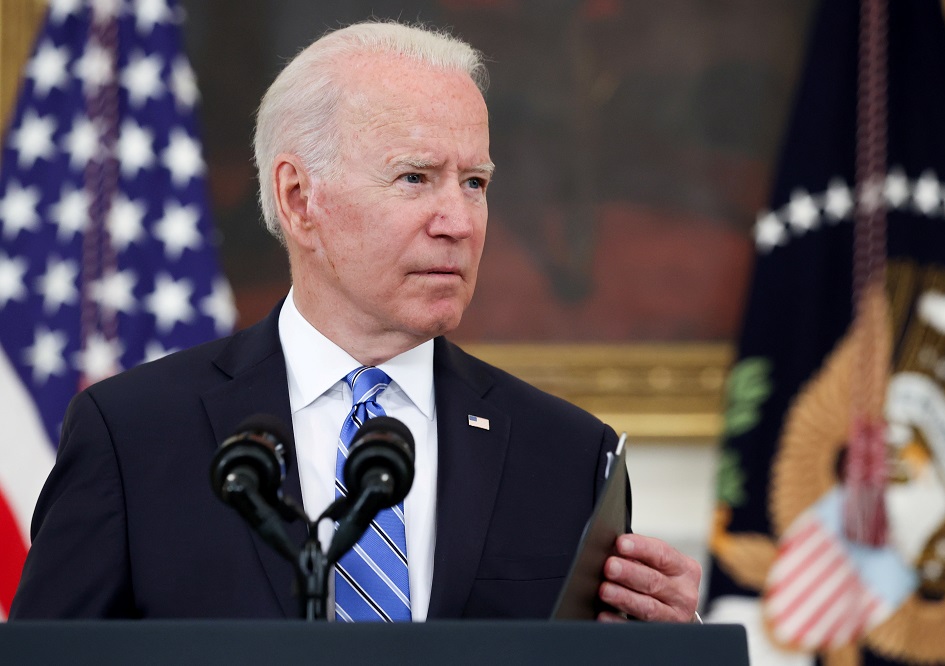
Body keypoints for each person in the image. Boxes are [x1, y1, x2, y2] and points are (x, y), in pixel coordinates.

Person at [11, 21, 700, 623]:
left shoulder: (569, 457)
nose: (458, 223)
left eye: (475, 183)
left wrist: (662, 654)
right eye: (415, 178)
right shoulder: (132, 437)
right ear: (298, 197)